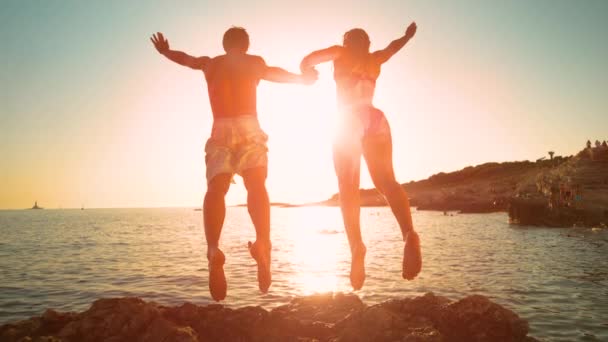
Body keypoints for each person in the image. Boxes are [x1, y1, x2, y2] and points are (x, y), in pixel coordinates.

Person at [151, 28, 316, 301]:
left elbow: (186, 59)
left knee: (216, 190)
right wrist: (302, 79)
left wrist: (165, 51)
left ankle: (214, 249)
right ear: (247, 45)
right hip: (249, 125)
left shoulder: (210, 64)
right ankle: (262, 240)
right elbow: (276, 74)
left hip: (221, 128)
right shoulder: (254, 63)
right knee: (256, 185)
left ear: (224, 44)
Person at [299, 23, 422, 290]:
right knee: (388, 182)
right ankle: (409, 233)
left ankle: (356, 246)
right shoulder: (375, 58)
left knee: (348, 186)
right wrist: (407, 36)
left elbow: (309, 58)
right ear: (367, 43)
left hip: (348, 118)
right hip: (376, 118)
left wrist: (306, 70)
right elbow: (393, 47)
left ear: (347, 42)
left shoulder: (340, 52)